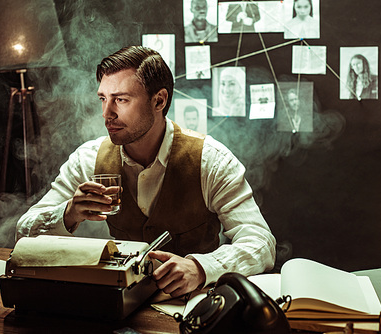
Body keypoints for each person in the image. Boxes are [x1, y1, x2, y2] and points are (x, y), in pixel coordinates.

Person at [16, 46, 276, 297]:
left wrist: (201, 268)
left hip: (195, 304)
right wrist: (68, 213)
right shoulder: (88, 158)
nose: (107, 114)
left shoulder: (211, 160)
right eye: (103, 99)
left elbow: (260, 242)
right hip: (121, 303)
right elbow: (23, 232)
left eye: (121, 99)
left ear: (159, 100)